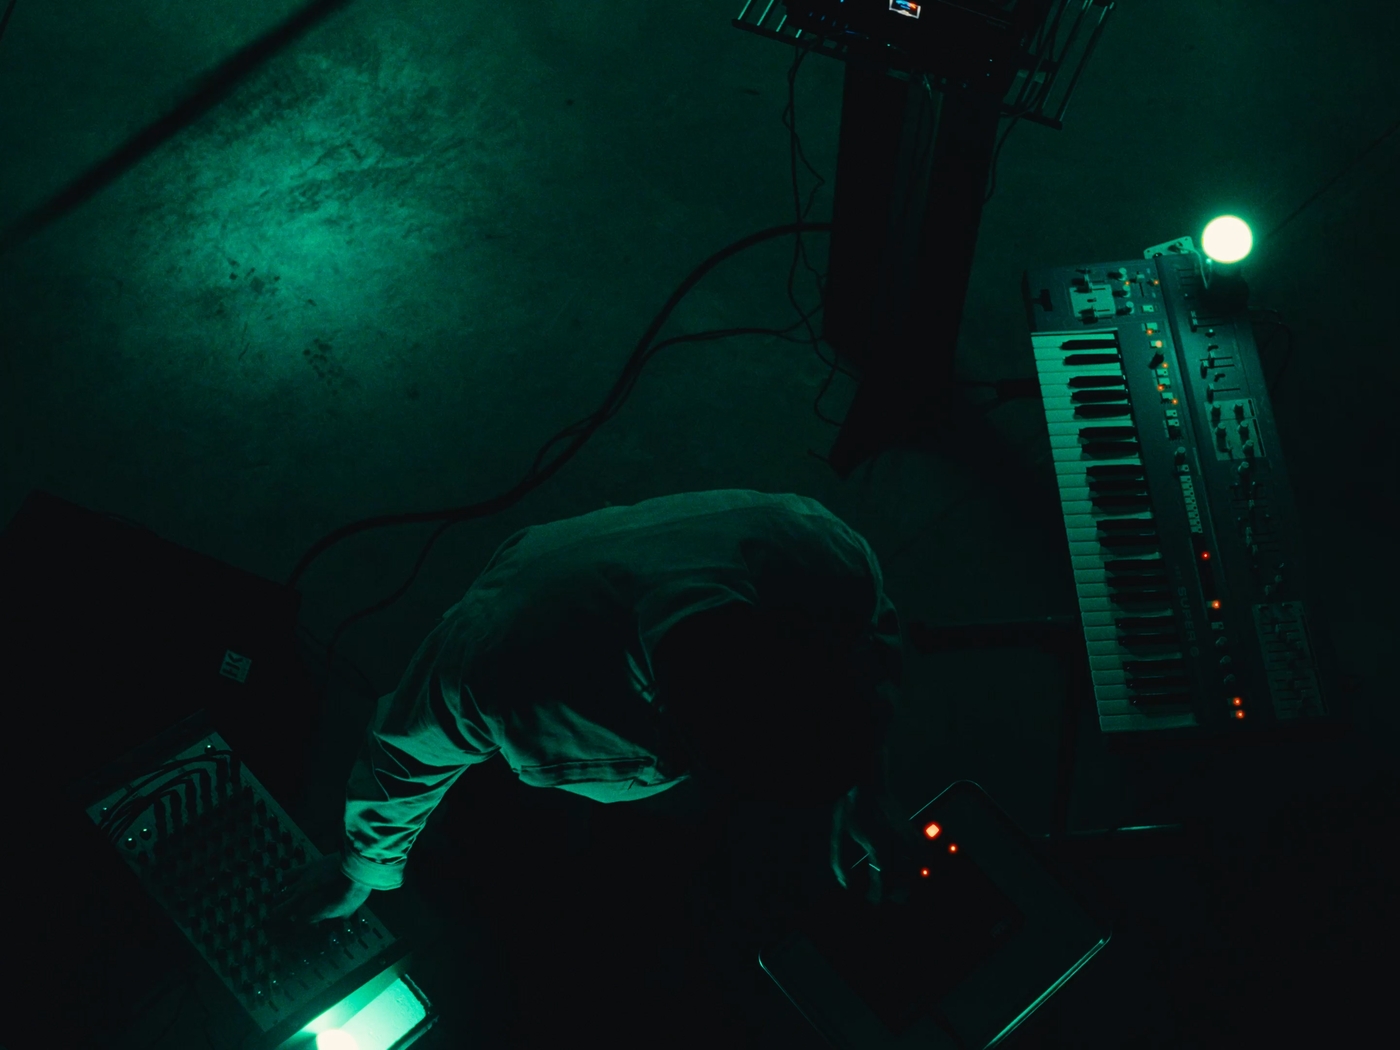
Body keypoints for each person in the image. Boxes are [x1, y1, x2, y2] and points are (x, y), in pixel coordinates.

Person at [273, 489, 917, 928]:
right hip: (531, 642)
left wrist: (863, 781)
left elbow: (871, 642)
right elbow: (410, 745)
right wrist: (362, 869)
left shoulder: (822, 552)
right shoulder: (510, 664)